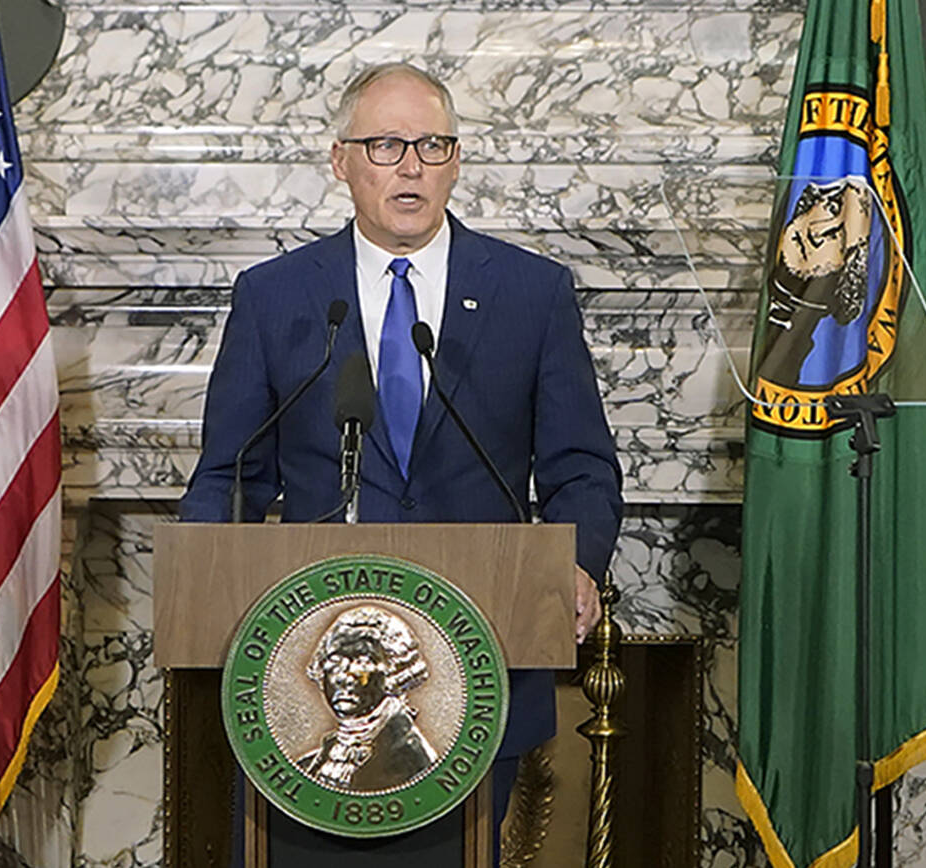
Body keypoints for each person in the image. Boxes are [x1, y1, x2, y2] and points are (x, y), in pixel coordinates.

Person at [180, 61, 623, 860]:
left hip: (480, 661)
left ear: (456, 162)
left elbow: (583, 467)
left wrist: (577, 566)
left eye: (432, 144)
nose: (411, 165)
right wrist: (212, 595)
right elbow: (229, 475)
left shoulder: (532, 293)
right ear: (340, 160)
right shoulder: (276, 295)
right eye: (385, 145)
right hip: (302, 681)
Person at [297, 606, 438, 791]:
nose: (344, 677)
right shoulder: (307, 766)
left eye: (363, 661)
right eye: (335, 661)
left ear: (394, 671)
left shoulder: (415, 764)